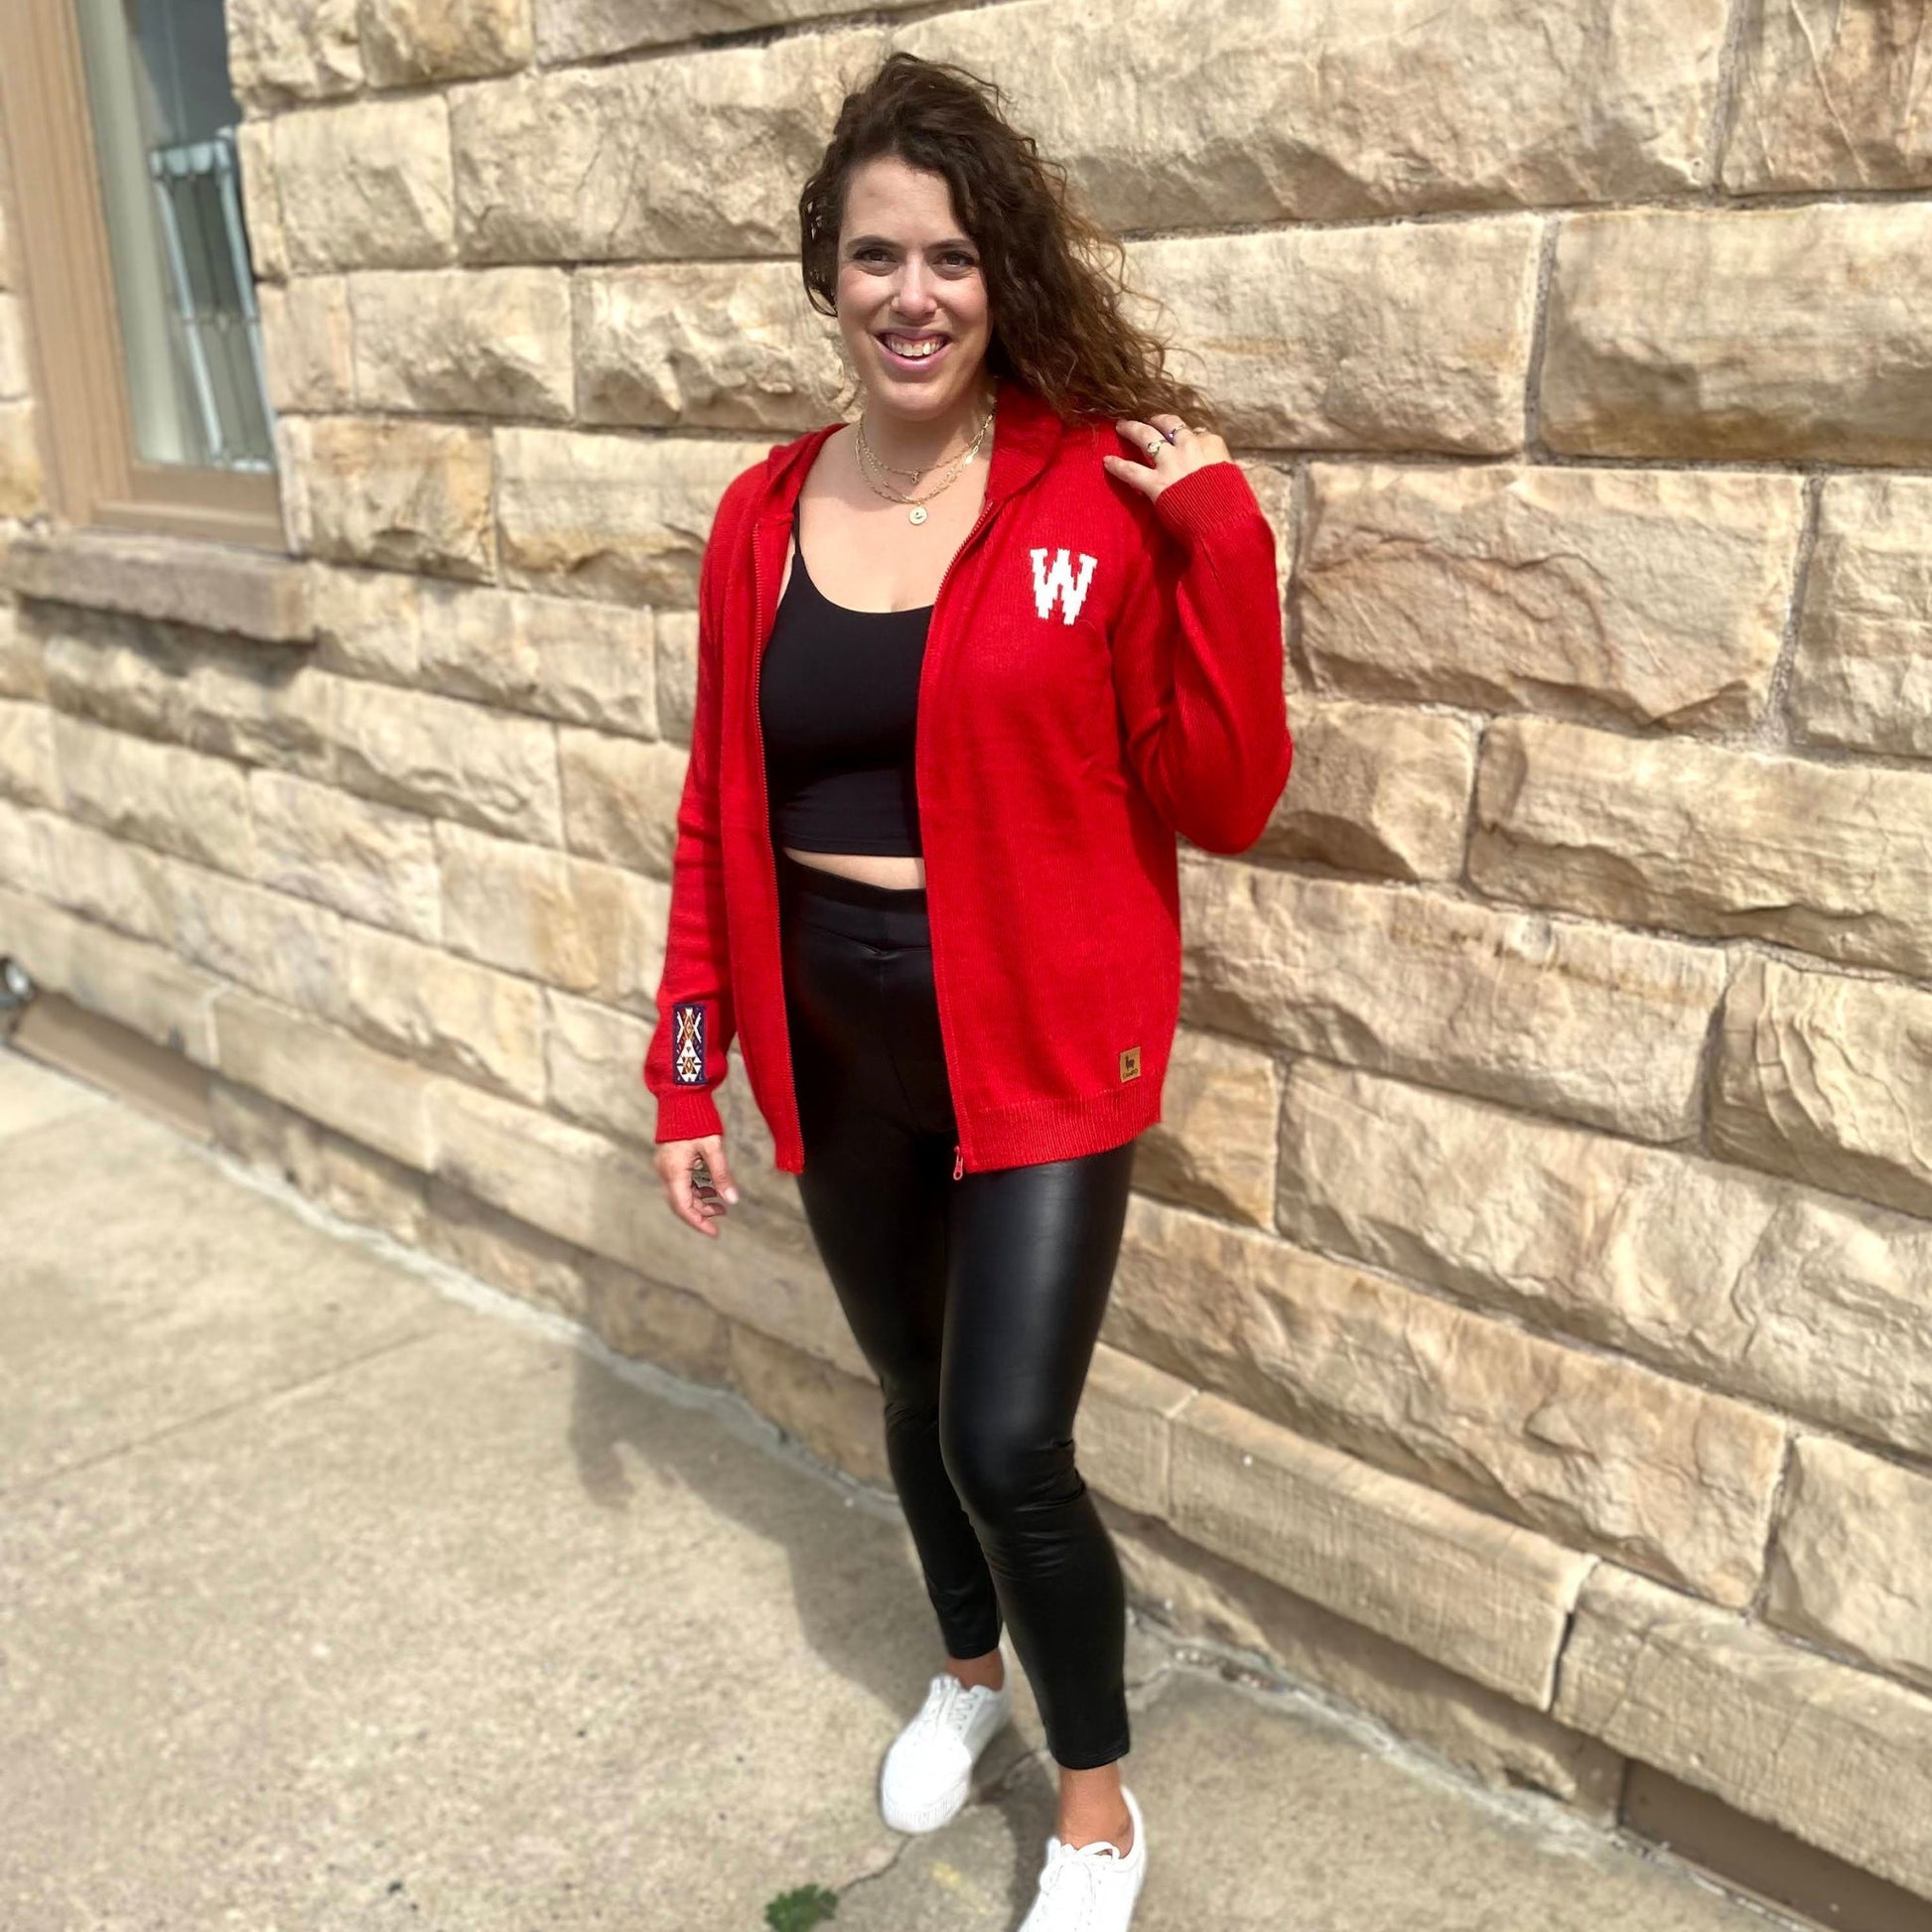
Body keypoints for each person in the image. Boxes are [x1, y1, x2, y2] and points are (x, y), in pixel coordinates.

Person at [644, 50, 1292, 1931]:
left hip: (1032, 1026)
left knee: (1007, 1433)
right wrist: (691, 1066)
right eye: (871, 257)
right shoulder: (761, 513)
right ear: (823, 278)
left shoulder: (1098, 490)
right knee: (909, 1387)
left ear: (997, 274)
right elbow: (715, 807)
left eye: (946, 257)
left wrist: (1224, 546)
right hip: (829, 1032)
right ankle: (966, 1673)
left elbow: (1224, 797)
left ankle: (1092, 1805)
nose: (909, 294)